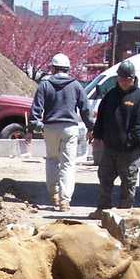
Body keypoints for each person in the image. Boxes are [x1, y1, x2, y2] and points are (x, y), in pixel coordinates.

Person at [29, 53, 89, 211]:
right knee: (68, 164)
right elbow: (85, 109)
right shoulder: (76, 85)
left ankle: (54, 194)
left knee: (52, 160)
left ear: (53, 68)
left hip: (50, 128)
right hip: (70, 128)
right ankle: (65, 201)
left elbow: (36, 110)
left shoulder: (45, 85)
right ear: (68, 69)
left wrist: (34, 126)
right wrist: (91, 127)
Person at [90, 59, 140, 214]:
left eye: (127, 79)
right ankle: (102, 210)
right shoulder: (110, 96)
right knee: (105, 179)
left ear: (133, 79)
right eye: (121, 79)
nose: (123, 82)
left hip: (130, 152)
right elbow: (102, 117)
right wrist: (97, 135)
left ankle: (124, 213)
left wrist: (129, 141)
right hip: (110, 148)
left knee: (128, 182)